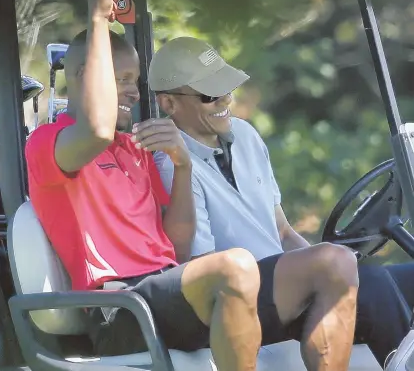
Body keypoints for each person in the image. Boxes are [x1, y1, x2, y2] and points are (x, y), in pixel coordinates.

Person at [26, 0, 358, 371]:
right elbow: (96, 129)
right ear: (82, 77)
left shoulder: (136, 149)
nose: (132, 92)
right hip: (120, 308)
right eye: (121, 80)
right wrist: (97, 17)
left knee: (334, 262)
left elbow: (178, 245)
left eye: (135, 81)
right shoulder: (49, 145)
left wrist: (182, 165)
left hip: (169, 295)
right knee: (236, 264)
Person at [150, 36, 414, 366]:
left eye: (227, 88)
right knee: (370, 281)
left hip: (283, 285)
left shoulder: (245, 135)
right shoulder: (170, 165)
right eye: (210, 95)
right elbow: (201, 263)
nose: (226, 100)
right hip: (236, 298)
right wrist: (325, 269)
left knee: (395, 278)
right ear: (169, 104)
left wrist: (332, 270)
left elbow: (284, 231)